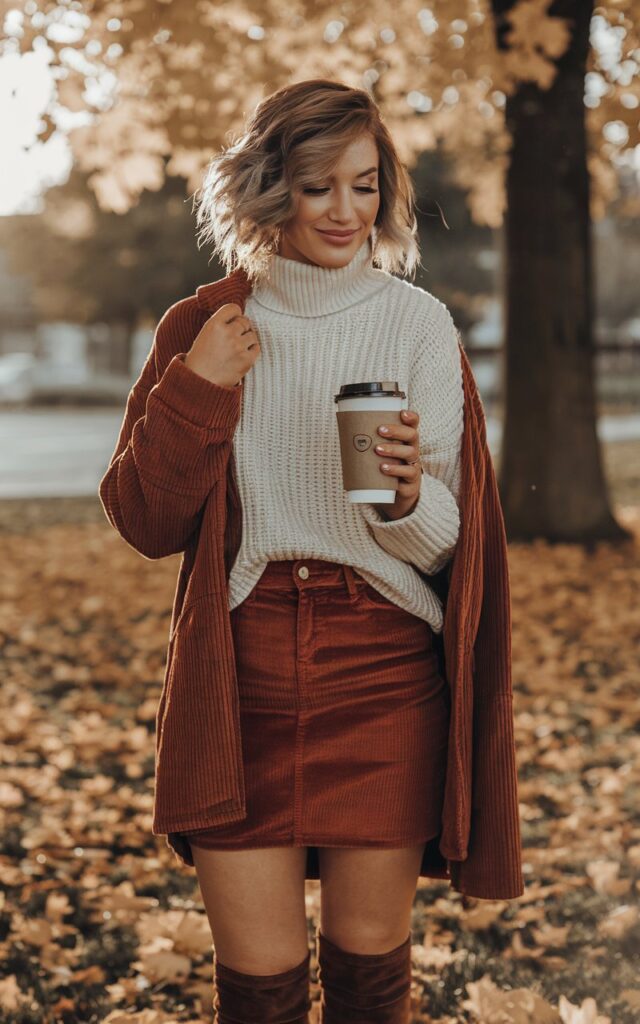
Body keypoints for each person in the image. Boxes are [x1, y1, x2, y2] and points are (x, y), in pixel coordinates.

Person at [103, 78, 469, 1023]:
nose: (347, 211)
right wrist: (197, 389)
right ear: (272, 189)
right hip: (244, 669)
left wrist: (407, 499)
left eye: (365, 184)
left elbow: (450, 543)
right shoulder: (204, 327)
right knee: (258, 993)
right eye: (318, 187)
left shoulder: (418, 323)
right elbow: (145, 521)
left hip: (385, 666)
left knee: (367, 981)